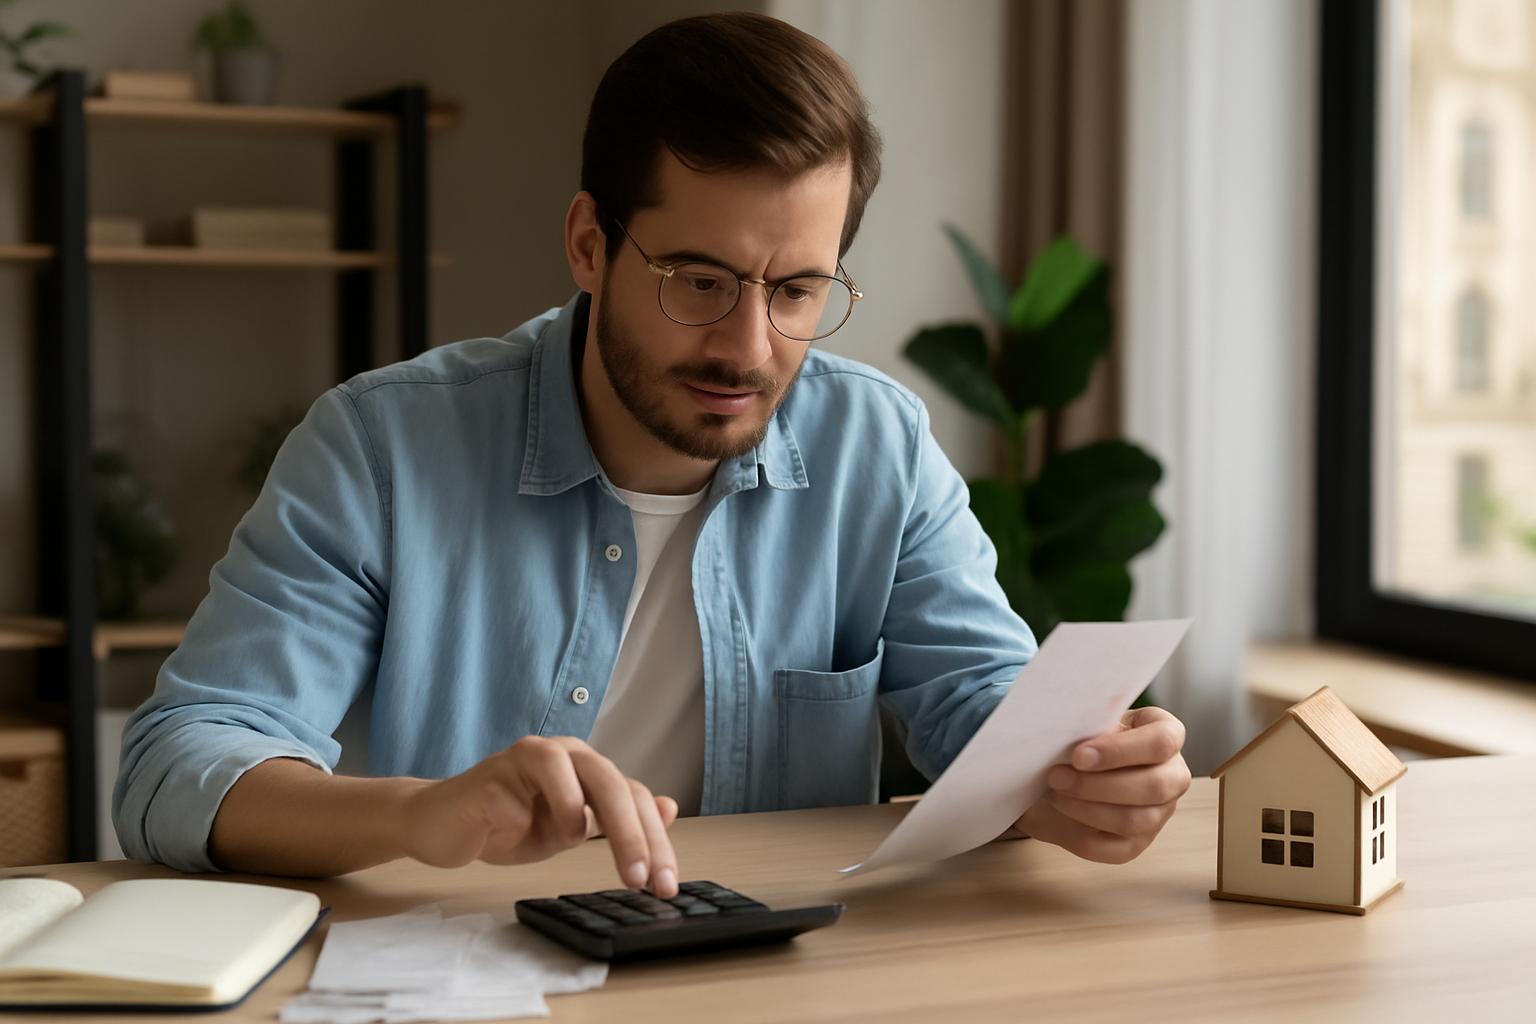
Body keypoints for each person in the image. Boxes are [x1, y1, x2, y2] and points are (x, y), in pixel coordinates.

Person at [114, 12, 1190, 898]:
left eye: (798, 289)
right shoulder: (382, 448)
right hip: (473, 976)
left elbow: (983, 703)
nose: (749, 345)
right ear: (590, 244)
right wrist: (419, 811)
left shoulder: (878, 444)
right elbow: (176, 765)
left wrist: (1072, 779)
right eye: (699, 279)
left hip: (778, 981)